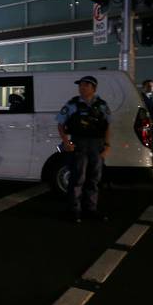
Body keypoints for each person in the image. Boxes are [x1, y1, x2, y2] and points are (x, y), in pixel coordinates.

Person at [56, 75, 111, 223]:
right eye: (80, 85)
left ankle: (91, 210)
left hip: (96, 145)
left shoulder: (101, 105)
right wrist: (66, 142)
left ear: (93, 88)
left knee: (94, 179)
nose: (81, 88)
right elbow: (60, 124)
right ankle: (74, 211)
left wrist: (107, 146)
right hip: (78, 144)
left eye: (85, 85)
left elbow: (107, 126)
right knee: (77, 178)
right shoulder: (72, 104)